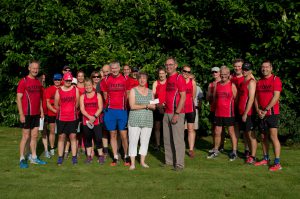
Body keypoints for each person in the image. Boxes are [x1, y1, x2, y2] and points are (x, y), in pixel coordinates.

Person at [17, 60, 47, 168]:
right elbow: (19, 98)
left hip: (36, 114)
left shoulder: (38, 82)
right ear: (29, 68)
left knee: (34, 135)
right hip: (26, 114)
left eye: (37, 68)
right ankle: (22, 158)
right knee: (25, 136)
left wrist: (41, 111)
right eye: (33, 68)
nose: (35, 70)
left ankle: (33, 157)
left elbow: (38, 99)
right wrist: (21, 114)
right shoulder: (23, 81)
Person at [254, 60, 282, 171]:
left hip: (272, 113)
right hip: (261, 113)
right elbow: (256, 97)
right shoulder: (259, 81)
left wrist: (266, 109)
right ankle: (265, 159)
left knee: (273, 136)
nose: (264, 69)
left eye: (267, 67)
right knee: (263, 137)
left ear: (271, 68)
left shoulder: (276, 79)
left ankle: (277, 163)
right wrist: (258, 110)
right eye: (263, 67)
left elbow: (276, 97)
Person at [102, 61, 130, 166]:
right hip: (110, 111)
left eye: (116, 68)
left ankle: (126, 156)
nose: (114, 70)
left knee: (123, 135)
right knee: (112, 134)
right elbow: (105, 95)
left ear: (119, 68)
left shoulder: (125, 79)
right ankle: (115, 157)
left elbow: (127, 94)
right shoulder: (105, 80)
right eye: (112, 68)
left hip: (122, 110)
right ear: (110, 69)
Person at [207, 65, 238, 161]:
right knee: (217, 132)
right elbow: (215, 98)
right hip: (218, 113)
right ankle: (216, 150)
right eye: (222, 74)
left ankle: (234, 152)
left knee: (231, 132)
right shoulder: (217, 84)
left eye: (225, 74)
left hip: (229, 113)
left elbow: (236, 99)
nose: (223, 76)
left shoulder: (232, 85)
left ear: (229, 74)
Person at [128, 72, 156, 170]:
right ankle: (132, 163)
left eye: (144, 78)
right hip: (135, 120)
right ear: (138, 79)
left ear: (147, 80)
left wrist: (153, 106)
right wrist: (146, 106)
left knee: (145, 141)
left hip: (147, 120)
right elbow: (132, 106)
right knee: (133, 141)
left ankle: (142, 161)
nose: (142, 80)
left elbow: (154, 106)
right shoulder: (133, 91)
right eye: (140, 78)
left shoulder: (150, 91)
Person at [163, 57, 186, 171]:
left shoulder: (179, 77)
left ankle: (179, 164)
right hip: (167, 112)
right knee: (167, 139)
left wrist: (177, 113)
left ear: (176, 65)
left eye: (171, 64)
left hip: (176, 112)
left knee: (177, 140)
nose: (168, 66)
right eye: (167, 65)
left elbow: (183, 97)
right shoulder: (168, 78)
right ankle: (169, 161)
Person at [55, 72, 80, 165]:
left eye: (70, 80)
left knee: (73, 137)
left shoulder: (75, 89)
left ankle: (74, 157)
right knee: (61, 137)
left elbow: (77, 103)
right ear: (63, 80)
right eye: (67, 80)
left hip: (73, 117)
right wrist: (63, 111)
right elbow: (56, 104)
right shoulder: (59, 90)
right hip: (61, 118)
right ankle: (60, 157)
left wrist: (72, 110)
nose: (68, 82)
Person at [80, 78, 104, 164]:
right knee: (88, 139)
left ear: (92, 85)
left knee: (98, 138)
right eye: (86, 86)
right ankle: (89, 156)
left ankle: (101, 156)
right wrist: (89, 117)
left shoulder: (98, 95)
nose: (88, 87)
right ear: (84, 87)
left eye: (89, 85)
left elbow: (100, 107)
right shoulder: (82, 96)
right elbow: (82, 109)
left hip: (96, 120)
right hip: (86, 121)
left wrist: (94, 117)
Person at [238, 63, 257, 164]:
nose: (244, 71)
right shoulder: (243, 81)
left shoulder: (251, 82)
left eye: (247, 69)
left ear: (250, 71)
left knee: (251, 135)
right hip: (242, 112)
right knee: (246, 134)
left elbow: (251, 99)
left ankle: (253, 156)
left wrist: (245, 113)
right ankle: (249, 153)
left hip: (248, 113)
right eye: (244, 69)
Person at [231, 58, 251, 157]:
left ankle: (247, 150)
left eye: (239, 66)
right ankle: (234, 150)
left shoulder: (248, 77)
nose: (237, 68)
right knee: (235, 129)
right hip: (234, 107)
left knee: (246, 131)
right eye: (235, 66)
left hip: (245, 108)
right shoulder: (232, 77)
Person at [206, 67, 225, 151]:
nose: (214, 73)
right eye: (213, 72)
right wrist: (210, 96)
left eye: (216, 72)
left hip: (222, 109)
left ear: (219, 73)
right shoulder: (211, 84)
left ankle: (221, 145)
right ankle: (215, 145)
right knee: (214, 128)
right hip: (213, 109)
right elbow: (208, 97)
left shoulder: (223, 82)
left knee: (222, 128)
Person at [45, 73, 62, 156]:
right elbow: (47, 103)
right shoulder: (49, 89)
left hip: (62, 113)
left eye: (59, 79)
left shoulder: (63, 89)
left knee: (61, 131)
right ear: (53, 80)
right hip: (52, 113)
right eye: (56, 79)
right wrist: (54, 111)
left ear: (61, 80)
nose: (57, 81)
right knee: (52, 130)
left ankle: (61, 147)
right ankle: (52, 147)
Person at [182, 66, 197, 158]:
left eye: (188, 71)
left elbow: (193, 96)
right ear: (182, 71)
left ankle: (191, 149)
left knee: (190, 129)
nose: (186, 73)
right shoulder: (178, 80)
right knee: (180, 129)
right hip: (181, 109)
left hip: (190, 108)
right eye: (185, 71)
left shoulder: (193, 82)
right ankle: (180, 147)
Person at [96, 64, 111, 157]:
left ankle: (117, 151)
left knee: (115, 131)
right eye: (104, 72)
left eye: (107, 72)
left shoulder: (115, 81)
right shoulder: (100, 83)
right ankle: (105, 150)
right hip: (104, 110)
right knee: (104, 131)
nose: (106, 74)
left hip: (114, 108)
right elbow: (98, 96)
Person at [152, 67, 167, 151]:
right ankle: (157, 145)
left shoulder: (169, 82)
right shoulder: (155, 83)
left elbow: (171, 95)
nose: (161, 75)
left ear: (166, 73)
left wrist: (165, 103)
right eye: (159, 73)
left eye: (162, 73)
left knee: (166, 127)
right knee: (157, 126)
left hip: (167, 107)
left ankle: (166, 145)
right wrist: (158, 104)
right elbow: (152, 96)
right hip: (158, 107)